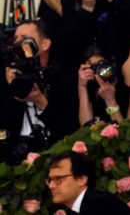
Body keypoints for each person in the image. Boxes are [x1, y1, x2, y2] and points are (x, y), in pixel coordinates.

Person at [0, 19, 76, 164]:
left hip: (53, 159)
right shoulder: (7, 78)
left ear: (45, 44)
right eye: (15, 39)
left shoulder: (63, 80)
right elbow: (4, 126)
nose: (18, 45)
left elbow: (68, 133)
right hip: (12, 161)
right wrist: (13, 90)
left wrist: (40, 101)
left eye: (25, 39)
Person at [47, 151, 130, 215]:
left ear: (81, 179)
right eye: (50, 180)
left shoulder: (100, 204)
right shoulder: (80, 208)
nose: (51, 186)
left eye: (58, 179)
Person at [78, 45, 124, 126]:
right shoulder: (92, 86)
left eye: (102, 65)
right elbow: (86, 127)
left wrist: (110, 100)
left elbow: (126, 132)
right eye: (94, 67)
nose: (99, 71)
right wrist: (82, 88)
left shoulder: (126, 84)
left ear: (113, 64)